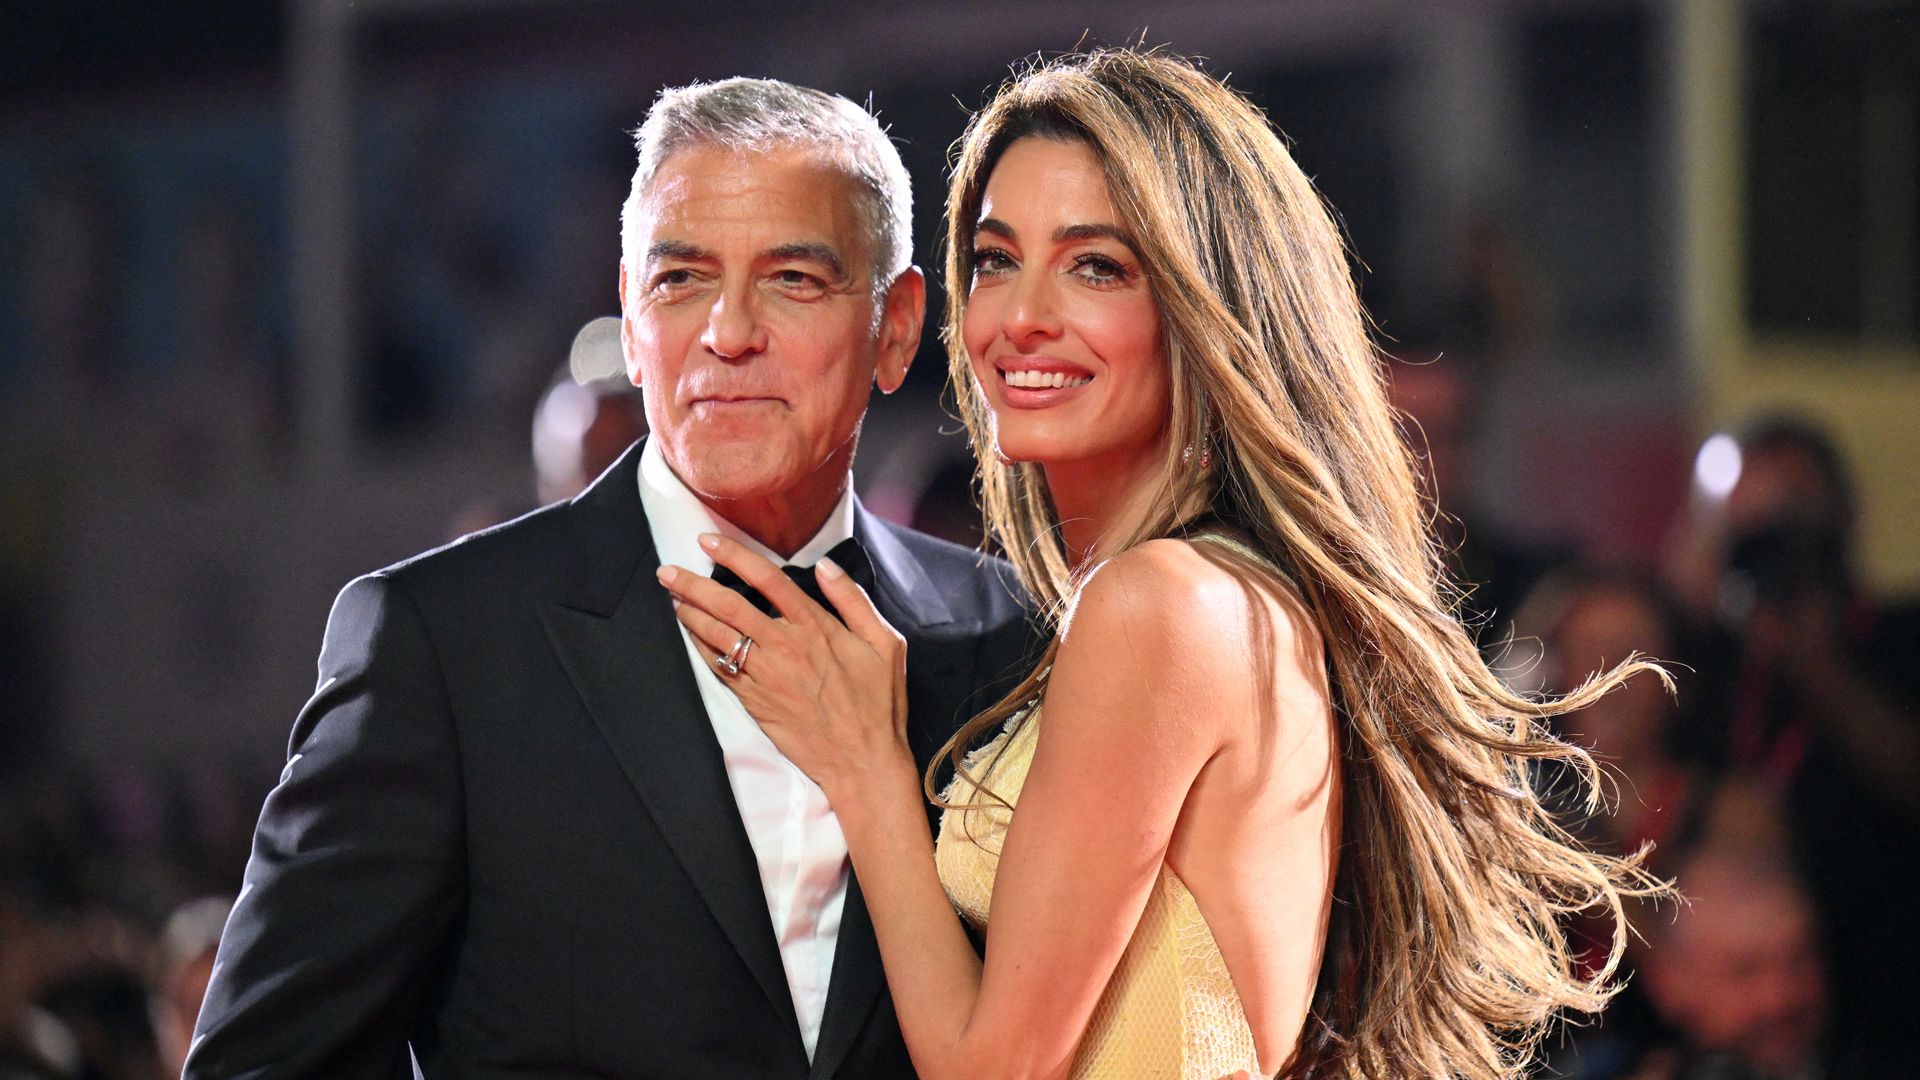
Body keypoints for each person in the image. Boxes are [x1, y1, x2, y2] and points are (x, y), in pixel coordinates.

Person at [661, 50, 1664, 1079]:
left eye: (1096, 267)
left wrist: (864, 768)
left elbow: (988, 1068)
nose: (1021, 316)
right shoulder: (1225, 592)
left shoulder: (1160, 605)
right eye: (997, 260)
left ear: (1202, 307)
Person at [184, 78, 1036, 1079]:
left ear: (896, 327)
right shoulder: (444, 650)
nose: (728, 332)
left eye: (793, 279)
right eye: (680, 281)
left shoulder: (1013, 642)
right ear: (631, 319)